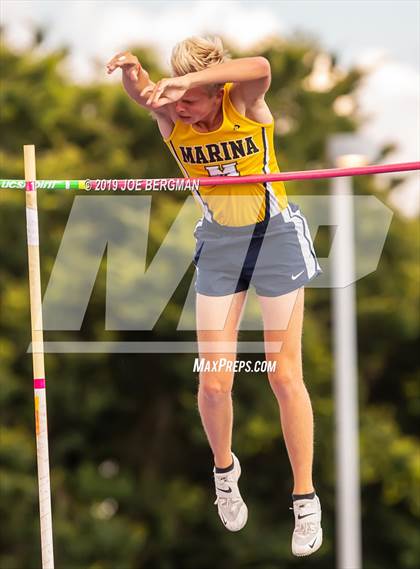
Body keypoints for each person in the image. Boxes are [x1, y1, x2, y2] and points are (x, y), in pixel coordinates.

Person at [106, 35, 323, 557]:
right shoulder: (172, 117)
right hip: (221, 247)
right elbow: (142, 95)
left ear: (214, 88)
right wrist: (136, 70)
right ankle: (225, 472)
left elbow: (263, 65)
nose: (182, 107)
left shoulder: (243, 102)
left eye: (190, 98)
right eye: (177, 100)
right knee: (214, 381)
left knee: (282, 373)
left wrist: (197, 80)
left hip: (275, 240)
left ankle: (305, 498)